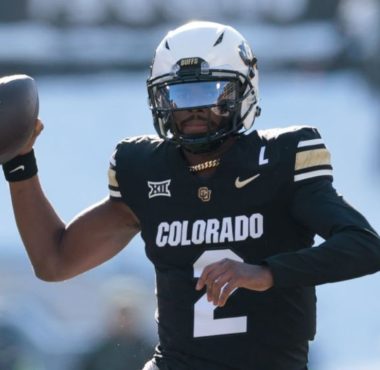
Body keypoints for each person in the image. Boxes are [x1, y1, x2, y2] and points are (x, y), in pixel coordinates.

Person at [2, 21, 380, 370]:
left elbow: (365, 246)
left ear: (243, 92)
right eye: (178, 95)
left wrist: (267, 272)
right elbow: (55, 261)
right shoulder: (146, 170)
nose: (193, 109)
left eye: (210, 93)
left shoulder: (280, 159)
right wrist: (21, 163)